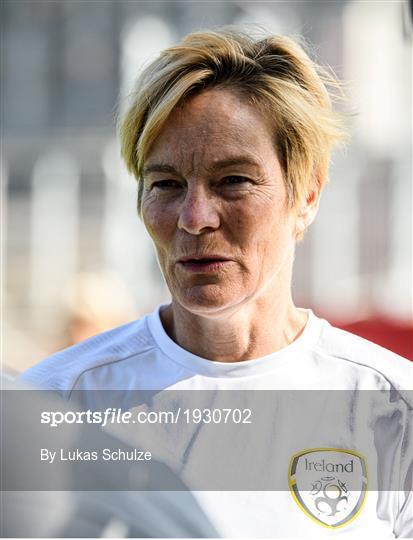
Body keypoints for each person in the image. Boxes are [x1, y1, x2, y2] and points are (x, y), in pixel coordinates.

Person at [20, 27, 412, 538]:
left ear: (308, 193)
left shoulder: (391, 407)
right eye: (166, 184)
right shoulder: (53, 407)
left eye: (233, 180)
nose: (195, 217)